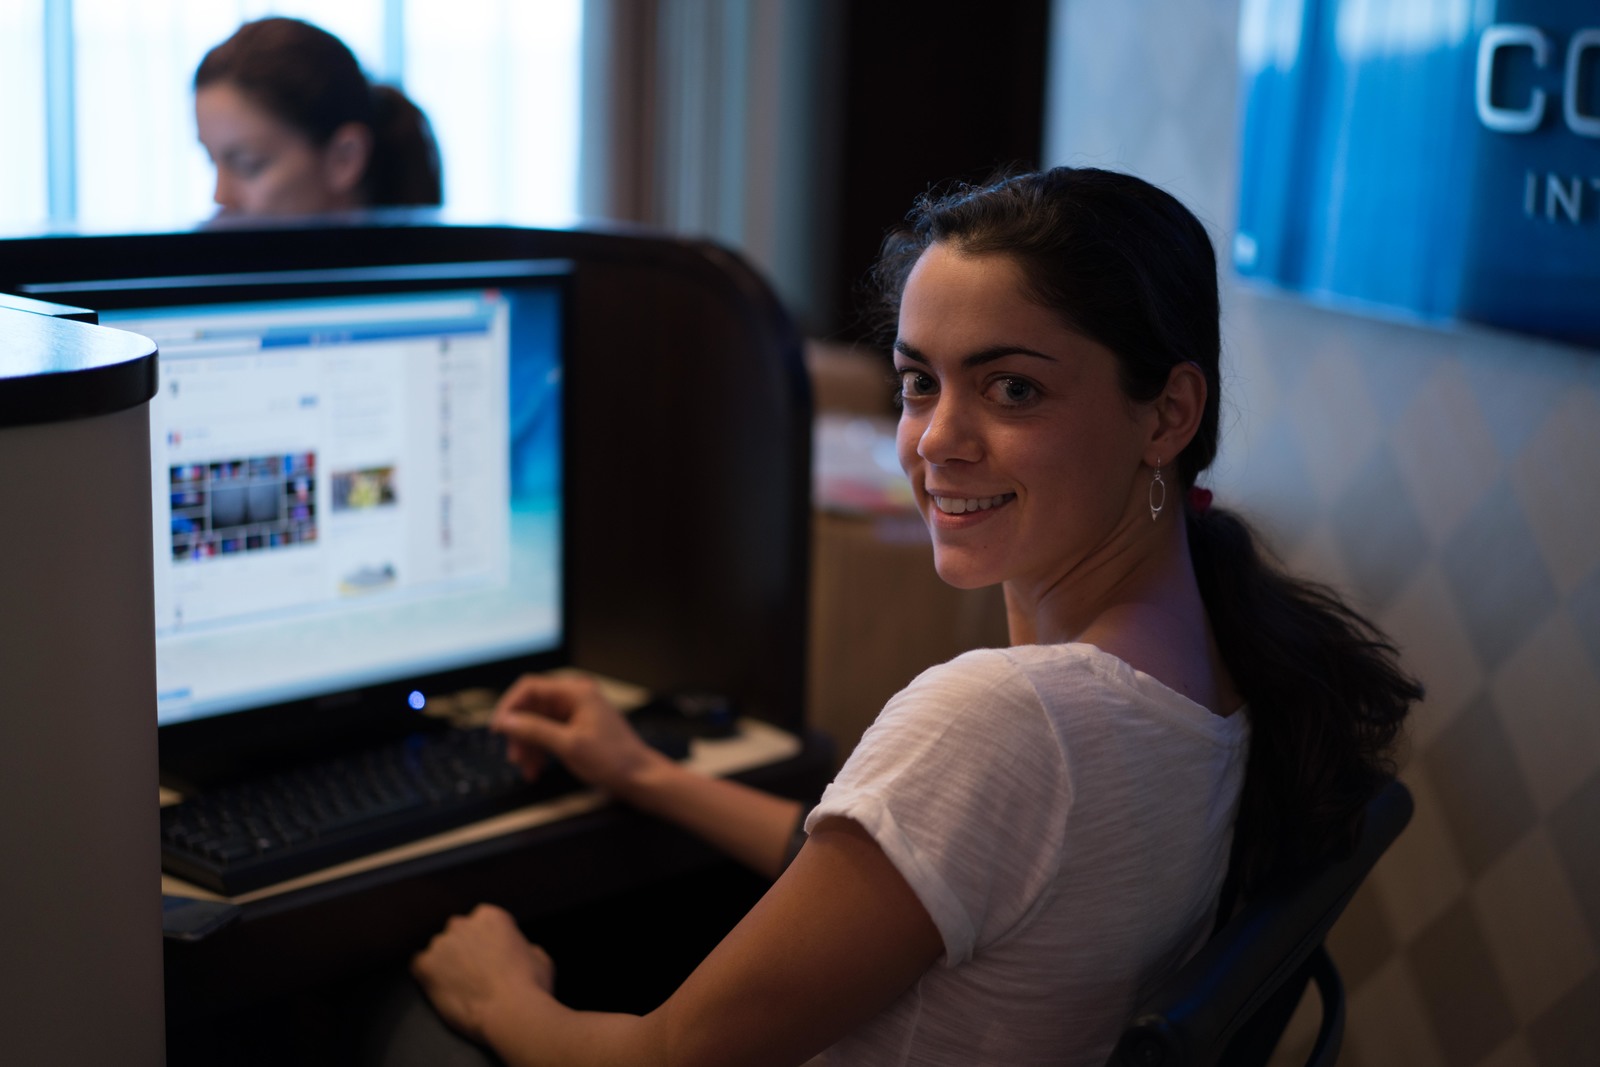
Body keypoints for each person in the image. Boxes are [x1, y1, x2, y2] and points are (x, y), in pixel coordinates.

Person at [403, 167, 1421, 1066]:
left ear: (1167, 413)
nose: (935, 439)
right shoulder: (1212, 655)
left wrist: (501, 992)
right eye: (916, 382)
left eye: (1012, 388)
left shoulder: (1008, 719)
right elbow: (921, 880)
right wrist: (646, 772)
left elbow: (665, 1053)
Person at [193, 16, 442, 218]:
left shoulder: (453, 277)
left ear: (344, 157)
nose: (220, 197)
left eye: (249, 165)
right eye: (212, 161)